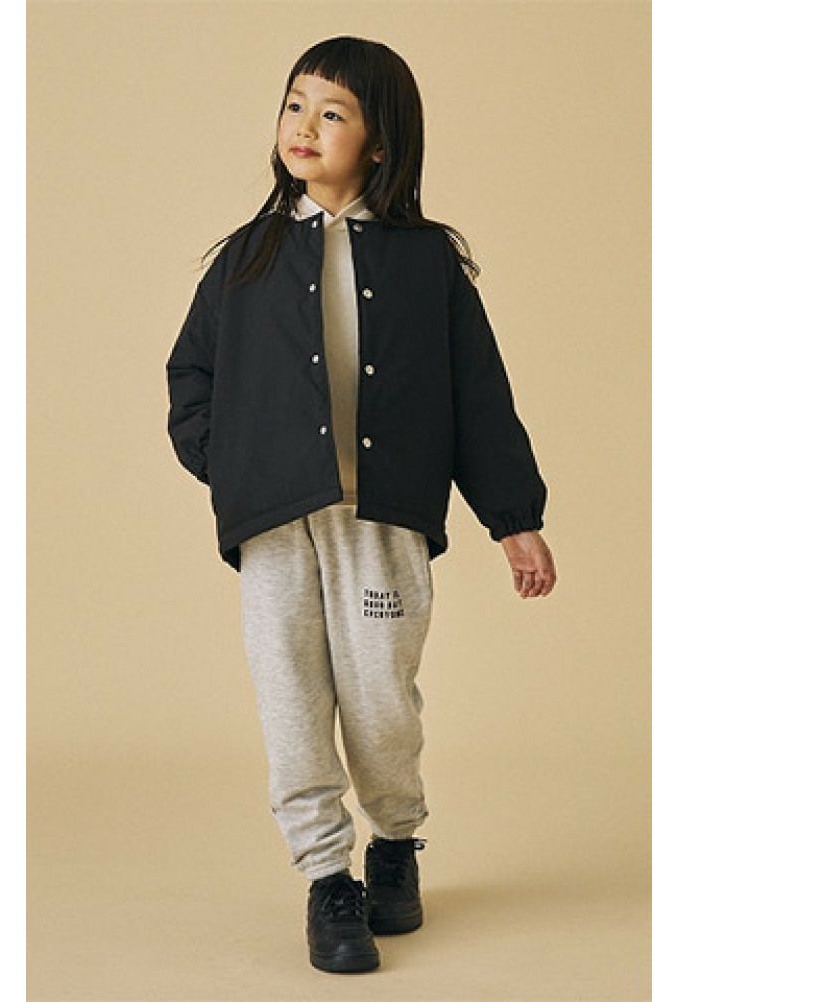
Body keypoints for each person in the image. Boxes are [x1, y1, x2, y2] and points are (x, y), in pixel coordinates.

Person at [165, 35, 557, 975]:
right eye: (295, 104)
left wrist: (515, 519)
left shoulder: (428, 265)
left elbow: (479, 396)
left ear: (379, 142)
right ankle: (326, 880)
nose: (304, 125)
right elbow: (191, 377)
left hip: (382, 520)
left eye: (332, 112)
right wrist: (234, 469)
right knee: (292, 702)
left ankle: (394, 844)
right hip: (274, 524)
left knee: (382, 699)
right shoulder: (246, 260)